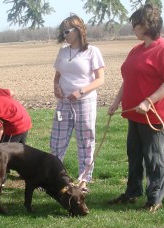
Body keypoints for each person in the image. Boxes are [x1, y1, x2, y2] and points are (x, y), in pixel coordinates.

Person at [107, 4, 164, 212]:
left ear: (146, 25)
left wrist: (149, 101)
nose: (133, 28)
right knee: (134, 153)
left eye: (135, 24)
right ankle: (132, 192)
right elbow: (128, 79)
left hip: (154, 115)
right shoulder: (137, 50)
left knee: (153, 156)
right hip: (134, 114)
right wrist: (116, 102)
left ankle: (155, 198)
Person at [51, 14, 105, 193]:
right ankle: (53, 178)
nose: (64, 34)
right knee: (57, 141)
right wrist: (56, 87)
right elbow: (58, 75)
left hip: (85, 102)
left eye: (67, 31)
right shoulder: (63, 51)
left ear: (78, 30)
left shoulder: (92, 52)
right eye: (63, 31)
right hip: (64, 103)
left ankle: (83, 181)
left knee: (86, 141)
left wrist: (81, 91)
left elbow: (100, 79)